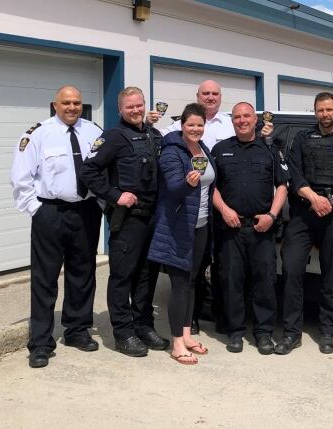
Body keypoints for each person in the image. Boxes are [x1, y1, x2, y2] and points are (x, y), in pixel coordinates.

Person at [160, 80, 272, 335]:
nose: (210, 97)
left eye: (215, 94)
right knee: (193, 275)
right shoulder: (175, 133)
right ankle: (192, 322)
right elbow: (160, 143)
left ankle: (222, 321)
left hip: (211, 216)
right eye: (205, 94)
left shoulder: (230, 123)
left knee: (220, 270)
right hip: (195, 214)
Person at [10, 85, 103, 368]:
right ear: (55, 105)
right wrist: (37, 211)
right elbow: (20, 177)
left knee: (83, 272)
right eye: (66, 103)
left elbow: (106, 168)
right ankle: (40, 342)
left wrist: (99, 204)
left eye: (76, 102)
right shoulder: (38, 134)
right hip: (50, 212)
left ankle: (77, 330)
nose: (72, 107)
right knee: (44, 278)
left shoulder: (94, 131)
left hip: (86, 211)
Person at [80, 86, 168, 357]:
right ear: (120, 109)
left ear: (144, 105)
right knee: (122, 277)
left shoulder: (154, 135)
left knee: (146, 276)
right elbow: (88, 170)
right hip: (128, 221)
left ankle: (143, 325)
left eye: (139, 105)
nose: (135, 110)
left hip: (152, 218)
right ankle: (123, 333)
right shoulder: (113, 137)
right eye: (129, 106)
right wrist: (116, 195)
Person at [276, 92, 333, 355]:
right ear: (315, 112)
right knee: (291, 270)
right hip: (304, 211)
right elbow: (294, 173)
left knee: (330, 275)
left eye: (329, 110)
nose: (325, 114)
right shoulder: (303, 139)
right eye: (320, 110)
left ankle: (328, 331)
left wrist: (330, 202)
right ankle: (292, 332)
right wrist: (315, 198)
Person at [211, 102, 288, 354]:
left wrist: (272, 215)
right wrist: (224, 209)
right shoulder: (221, 149)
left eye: (246, 116)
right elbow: (211, 187)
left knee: (264, 282)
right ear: (232, 121)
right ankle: (235, 332)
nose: (242, 120)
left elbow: (283, 186)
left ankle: (263, 333)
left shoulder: (271, 149)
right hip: (231, 228)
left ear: (255, 119)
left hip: (262, 228)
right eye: (237, 117)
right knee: (231, 281)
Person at [148, 103, 215, 365]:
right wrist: (187, 183)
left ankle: (187, 334)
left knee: (192, 282)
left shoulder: (203, 149)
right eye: (191, 125)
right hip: (178, 227)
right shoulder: (172, 151)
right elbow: (172, 188)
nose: (195, 129)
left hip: (201, 225)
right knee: (178, 285)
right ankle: (177, 343)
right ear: (182, 125)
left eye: (199, 125)